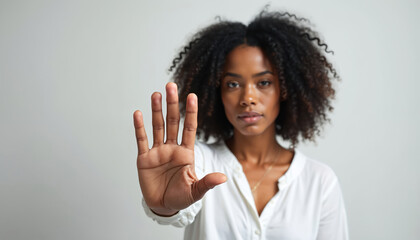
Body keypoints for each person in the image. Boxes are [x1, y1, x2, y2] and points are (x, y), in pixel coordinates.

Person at [133, 9, 349, 240]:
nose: (248, 97)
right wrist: (164, 207)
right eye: (233, 84)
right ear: (217, 93)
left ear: (286, 90)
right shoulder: (199, 162)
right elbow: (177, 207)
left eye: (264, 82)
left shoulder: (319, 181)